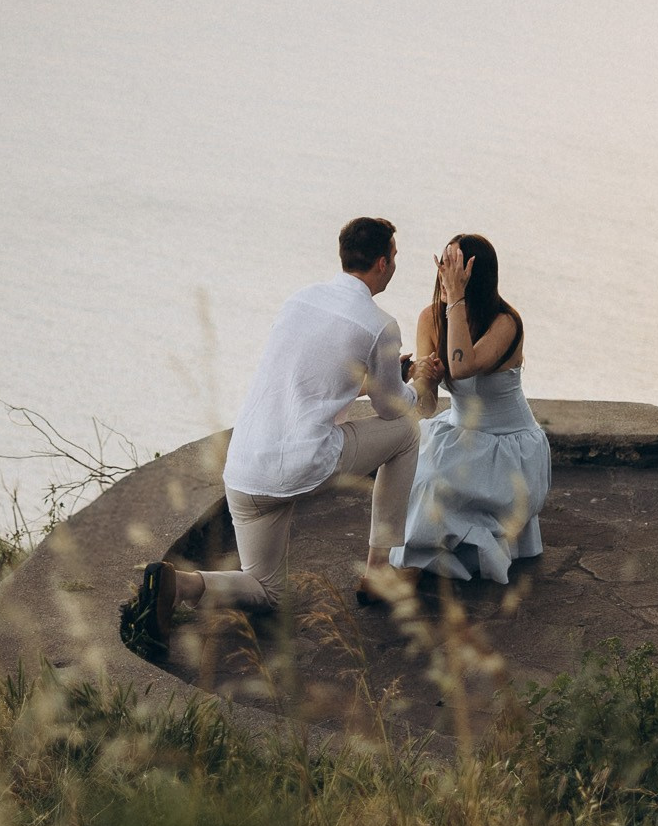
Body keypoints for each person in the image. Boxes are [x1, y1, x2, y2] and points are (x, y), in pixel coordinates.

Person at [122, 216, 419, 650]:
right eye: (394, 257)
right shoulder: (379, 324)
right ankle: (379, 570)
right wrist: (410, 384)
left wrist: (374, 377)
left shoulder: (299, 301)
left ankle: (179, 586)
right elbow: (391, 408)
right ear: (381, 262)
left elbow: (311, 380)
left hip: (244, 470)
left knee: (267, 589)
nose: (394, 265)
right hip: (302, 466)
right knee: (408, 434)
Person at [390, 233, 551, 587]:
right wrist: (424, 378)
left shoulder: (506, 322)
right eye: (444, 267)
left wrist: (456, 299)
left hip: (508, 446)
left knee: (434, 482)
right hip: (459, 431)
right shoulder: (430, 319)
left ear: (474, 278)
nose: (445, 276)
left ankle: (414, 570)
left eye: (457, 270)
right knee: (409, 471)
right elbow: (428, 405)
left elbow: (463, 367)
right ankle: (417, 564)